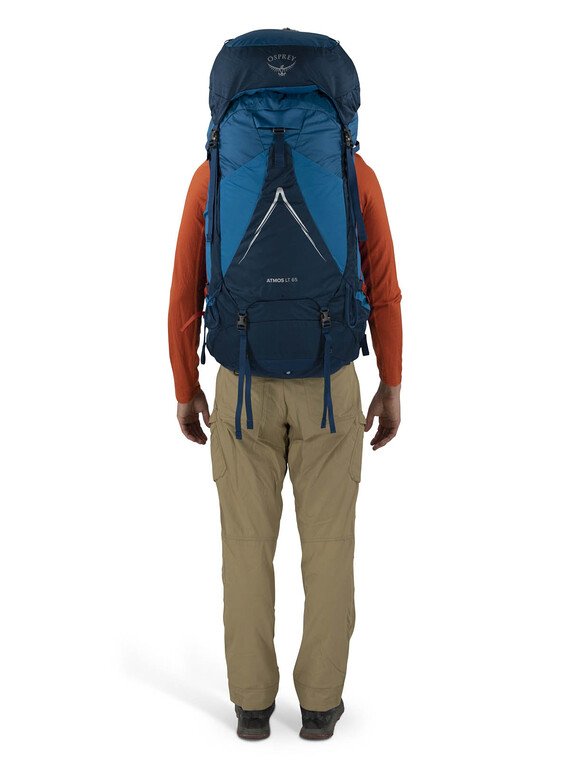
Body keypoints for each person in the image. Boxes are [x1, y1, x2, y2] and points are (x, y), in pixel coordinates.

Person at [168, 151, 402, 740]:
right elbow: (384, 289)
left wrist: (185, 387)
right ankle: (320, 707)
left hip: (242, 385)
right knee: (329, 548)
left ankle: (252, 707)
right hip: (331, 385)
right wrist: (391, 382)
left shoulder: (214, 174)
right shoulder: (354, 173)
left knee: (246, 548)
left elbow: (183, 292)